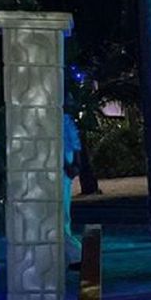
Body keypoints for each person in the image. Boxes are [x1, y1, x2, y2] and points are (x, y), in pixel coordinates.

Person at [63, 94, 83, 268]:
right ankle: (75, 254)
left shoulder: (67, 120)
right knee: (62, 214)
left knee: (65, 213)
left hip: (67, 169)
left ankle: (71, 255)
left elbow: (75, 145)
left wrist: (76, 164)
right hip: (62, 169)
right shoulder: (56, 120)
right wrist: (67, 166)